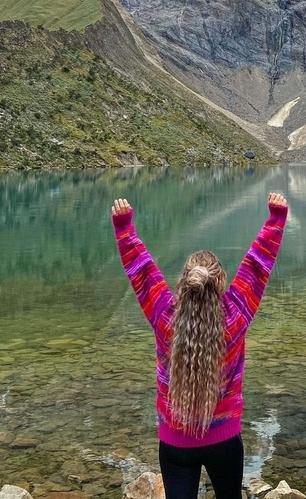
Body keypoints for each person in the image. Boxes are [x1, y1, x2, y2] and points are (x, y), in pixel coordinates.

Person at [111, 192, 289, 499]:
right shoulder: (235, 316)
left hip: (175, 443)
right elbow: (258, 266)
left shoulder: (165, 317)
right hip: (225, 440)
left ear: (184, 282)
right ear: (220, 283)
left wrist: (125, 228)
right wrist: (275, 219)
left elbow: (142, 271)